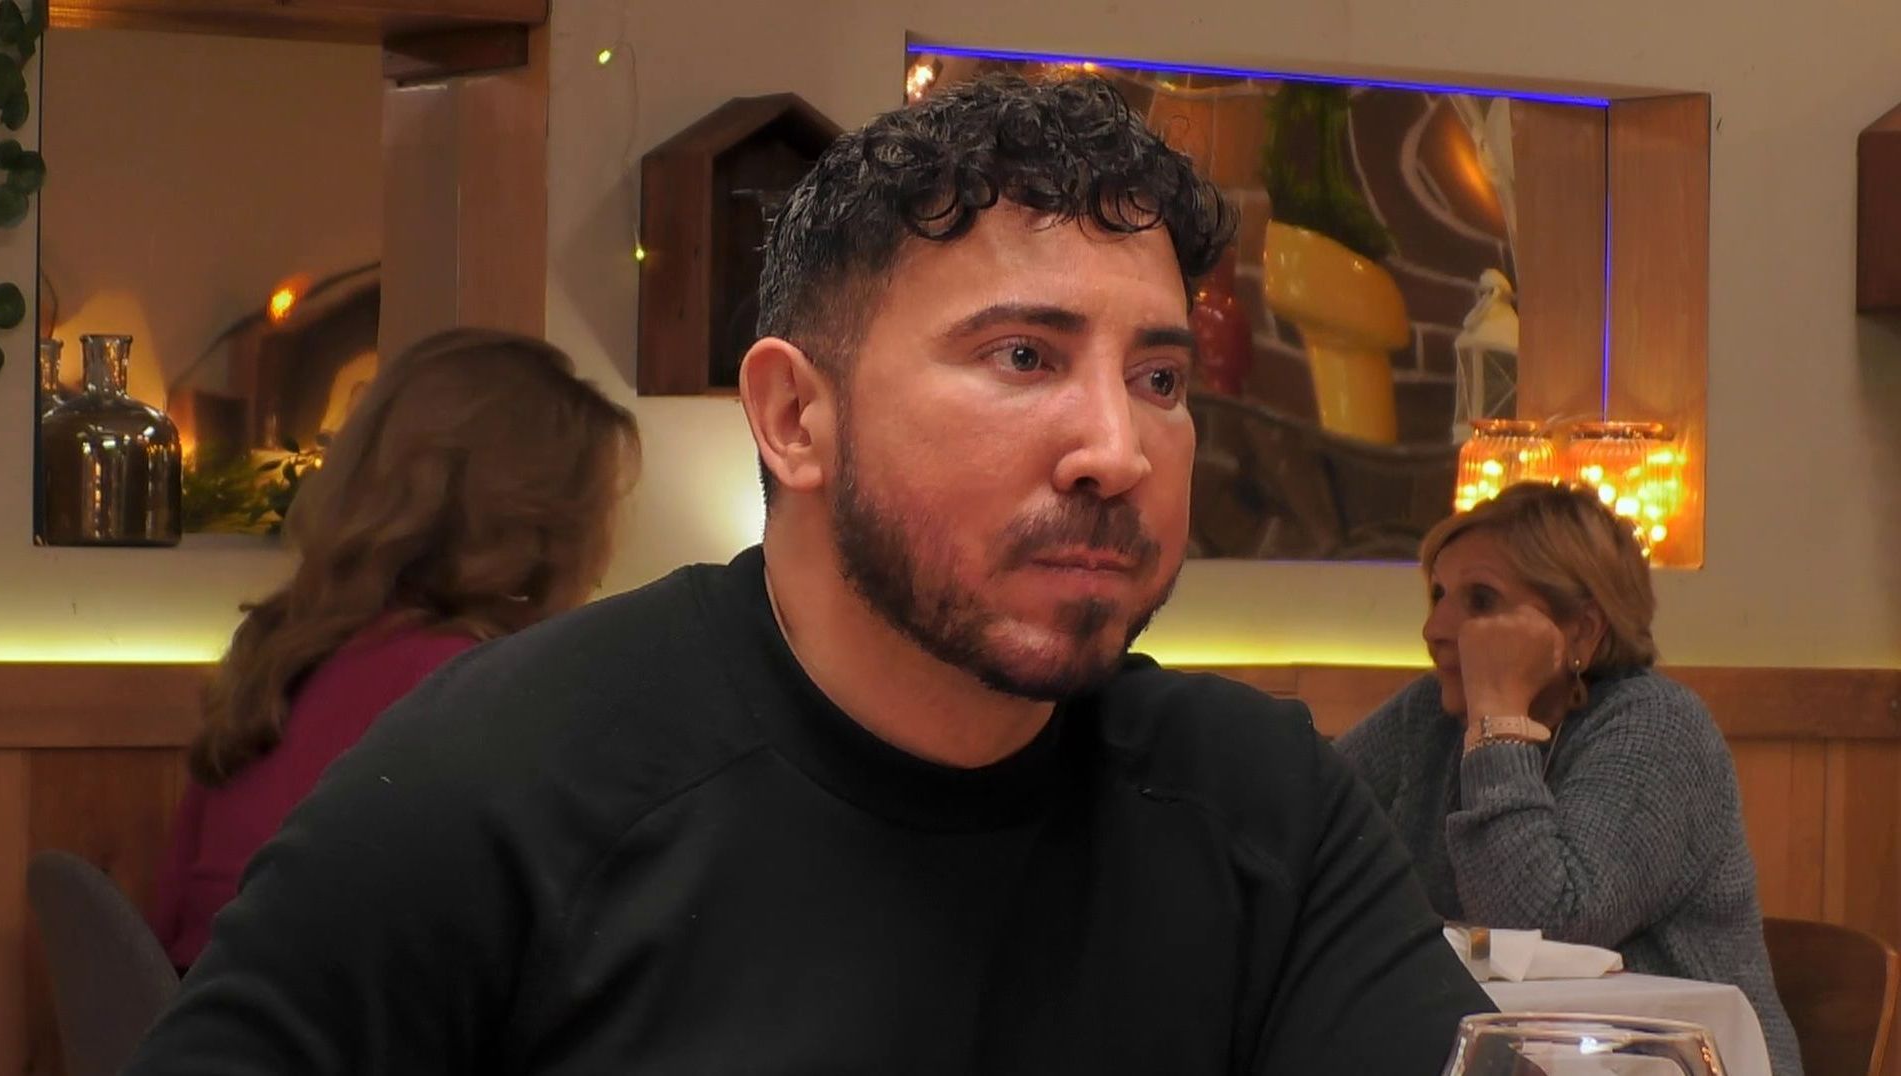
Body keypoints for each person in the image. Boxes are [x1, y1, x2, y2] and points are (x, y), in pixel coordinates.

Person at [125, 75, 1489, 1076]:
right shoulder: (503, 780)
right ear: (794, 417)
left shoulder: (1259, 805)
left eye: (1159, 379)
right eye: (1023, 357)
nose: (1116, 450)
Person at [150, 328, 640, 972]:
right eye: (600, 508)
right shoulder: (464, 684)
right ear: (540, 522)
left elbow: (171, 919)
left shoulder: (285, 647)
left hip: (216, 1011)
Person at [1335, 481, 1802, 1075]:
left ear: (1580, 631)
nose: (1435, 629)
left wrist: (1498, 716)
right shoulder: (1428, 716)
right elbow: (1312, 810)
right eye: (1438, 595)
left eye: (1481, 601)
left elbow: (1541, 922)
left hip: (1670, 1064)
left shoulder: (1658, 726)